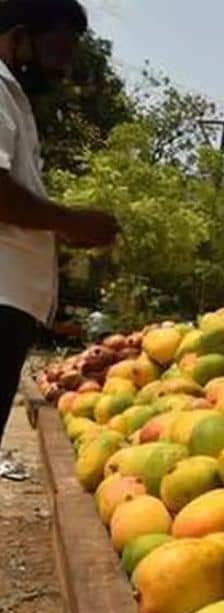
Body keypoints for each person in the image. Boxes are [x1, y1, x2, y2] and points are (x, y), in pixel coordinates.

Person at [0, 0, 118, 440]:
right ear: (18, 38)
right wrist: (70, 219)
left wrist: (60, 229)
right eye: (57, 58)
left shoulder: (13, 99)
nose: (63, 73)